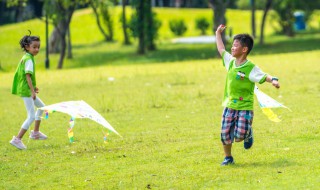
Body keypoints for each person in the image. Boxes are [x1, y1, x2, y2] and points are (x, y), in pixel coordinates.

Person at [215, 25, 280, 165]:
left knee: (239, 136)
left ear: (244, 50)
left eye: (235, 46)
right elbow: (221, 49)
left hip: (245, 106)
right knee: (225, 134)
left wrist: (273, 80)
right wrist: (218, 33)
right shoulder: (230, 62)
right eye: (232, 45)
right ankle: (228, 157)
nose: (232, 48)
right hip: (229, 104)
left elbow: (264, 76)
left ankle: (248, 133)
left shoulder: (251, 68)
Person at [10, 31, 47, 150]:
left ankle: (35, 133)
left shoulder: (26, 57)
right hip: (26, 91)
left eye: (38, 47)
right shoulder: (29, 59)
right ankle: (17, 139)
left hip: (26, 89)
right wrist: (32, 91)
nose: (37, 49)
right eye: (34, 47)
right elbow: (27, 76)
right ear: (27, 47)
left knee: (42, 108)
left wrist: (33, 87)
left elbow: (25, 76)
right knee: (31, 116)